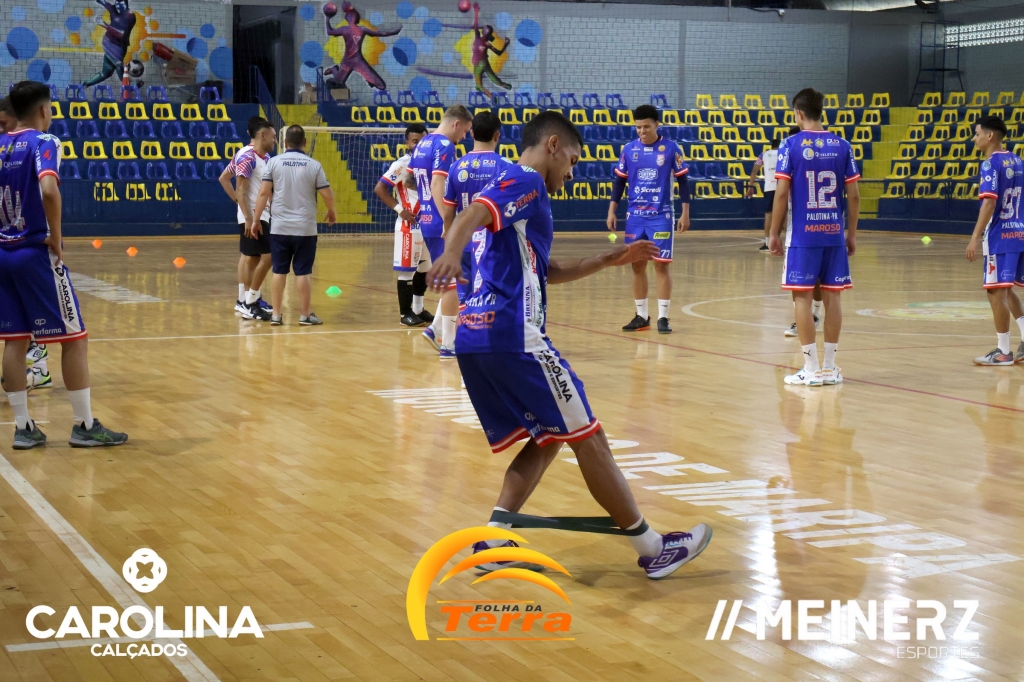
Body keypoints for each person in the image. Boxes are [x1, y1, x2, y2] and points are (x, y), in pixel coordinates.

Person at [427, 111, 712, 579]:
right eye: (574, 161)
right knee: (589, 436)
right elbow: (471, 214)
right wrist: (451, 254)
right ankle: (653, 548)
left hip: (477, 336)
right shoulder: (525, 180)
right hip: (514, 335)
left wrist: (607, 258)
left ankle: (494, 539)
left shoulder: (513, 190)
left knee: (549, 437)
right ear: (553, 146)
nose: (573, 173)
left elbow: (548, 271)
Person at [0, 81, 128, 449]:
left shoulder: (1, 144)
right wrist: (56, 235)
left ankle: (24, 427)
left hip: (4, 253)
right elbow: (49, 189)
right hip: (35, 252)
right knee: (74, 339)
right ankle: (84, 424)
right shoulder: (45, 142)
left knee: (14, 340)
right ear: (44, 110)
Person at [769, 88, 860, 387]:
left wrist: (773, 232)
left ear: (798, 113)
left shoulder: (790, 144)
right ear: (821, 111)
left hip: (803, 236)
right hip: (833, 234)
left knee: (802, 298)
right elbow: (854, 196)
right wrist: (851, 234)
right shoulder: (843, 145)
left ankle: (811, 369)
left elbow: (781, 193)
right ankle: (830, 368)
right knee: (833, 298)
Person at [606, 104, 690, 334]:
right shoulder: (628, 149)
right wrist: (612, 210)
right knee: (637, 265)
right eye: (638, 127)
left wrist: (685, 212)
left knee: (661, 265)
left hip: (661, 216)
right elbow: (619, 182)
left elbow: (683, 181)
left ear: (656, 125)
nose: (642, 131)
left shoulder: (671, 148)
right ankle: (642, 316)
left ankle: (663, 317)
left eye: (646, 127)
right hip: (635, 217)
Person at [437, 110, 512, 355]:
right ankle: (484, 344)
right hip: (491, 245)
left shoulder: (456, 167)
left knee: (461, 294)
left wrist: (450, 239)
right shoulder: (505, 167)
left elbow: (448, 211)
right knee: (489, 296)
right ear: (497, 135)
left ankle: (449, 344)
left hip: (463, 242)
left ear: (471, 133)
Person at [252, 125, 336, 326]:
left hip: (279, 228)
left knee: (279, 271)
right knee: (303, 272)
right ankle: (305, 316)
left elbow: (263, 193)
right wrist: (331, 210)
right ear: (305, 142)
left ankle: (276, 315)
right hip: (305, 229)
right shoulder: (314, 165)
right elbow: (327, 193)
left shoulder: (273, 162)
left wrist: (255, 220)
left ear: (285, 142)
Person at [407, 105, 474, 355]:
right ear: (456, 124)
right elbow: (437, 183)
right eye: (464, 131)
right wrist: (448, 221)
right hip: (438, 221)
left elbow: (410, 180)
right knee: (454, 282)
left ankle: (434, 329)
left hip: (426, 219)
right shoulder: (445, 145)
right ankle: (448, 343)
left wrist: (426, 203)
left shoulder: (422, 143)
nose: (464, 137)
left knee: (454, 279)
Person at [0, 96, 51, 390]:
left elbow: (48, 193)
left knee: (27, 317)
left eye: (3, 123)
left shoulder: (32, 147)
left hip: (26, 245)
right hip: (11, 246)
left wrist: (54, 235)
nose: (1, 129)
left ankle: (38, 367)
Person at [965, 115, 1024, 366]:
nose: (974, 138)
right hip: (1019, 233)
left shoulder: (990, 164)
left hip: (999, 236)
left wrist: (975, 237)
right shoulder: (1019, 161)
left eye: (977, 134)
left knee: (994, 291)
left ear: (990, 136)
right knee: (1006, 289)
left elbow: (989, 203)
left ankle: (1003, 352)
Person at [373, 123, 434, 327]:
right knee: (407, 270)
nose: (418, 145)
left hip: (428, 224)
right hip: (409, 226)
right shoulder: (402, 164)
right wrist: (400, 210)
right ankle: (404, 313)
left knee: (425, 268)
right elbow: (380, 188)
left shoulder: (433, 163)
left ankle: (418, 309)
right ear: (407, 143)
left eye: (423, 141)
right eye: (415, 141)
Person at [219, 117, 276, 321]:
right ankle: (248, 302)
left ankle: (247, 299)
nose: (275, 140)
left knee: (252, 256)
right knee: (264, 257)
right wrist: (248, 216)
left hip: (259, 214)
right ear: (262, 135)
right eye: (273, 136)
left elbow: (224, 177)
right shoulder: (247, 156)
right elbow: (240, 188)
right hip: (253, 215)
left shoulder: (263, 157)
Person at [323, 1, 400, 91]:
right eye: (349, 14)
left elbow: (380, 33)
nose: (351, 16)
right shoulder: (344, 29)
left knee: (381, 86)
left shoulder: (362, 29)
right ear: (347, 17)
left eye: (352, 14)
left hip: (358, 61)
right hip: (347, 61)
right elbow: (330, 32)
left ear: (355, 17)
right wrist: (327, 18)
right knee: (338, 82)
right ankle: (334, 69)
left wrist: (394, 32)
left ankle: (368, 79)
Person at [84, 0, 137, 87]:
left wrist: (103, 24)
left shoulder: (130, 16)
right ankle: (129, 85)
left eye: (121, 4)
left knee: (106, 73)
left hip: (120, 46)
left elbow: (121, 34)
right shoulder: (114, 10)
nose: (118, 6)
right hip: (109, 43)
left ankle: (85, 84)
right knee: (119, 64)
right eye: (117, 4)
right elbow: (105, 3)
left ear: (126, 4)